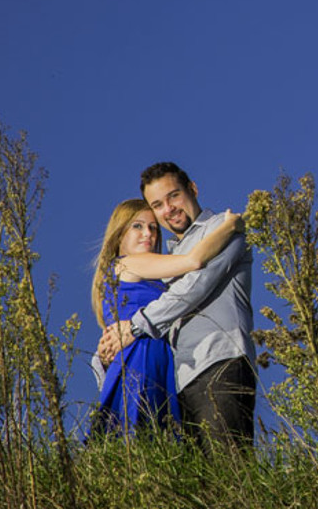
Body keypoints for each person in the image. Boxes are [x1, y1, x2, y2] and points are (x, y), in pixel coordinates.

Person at [98, 162, 256, 449]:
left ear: (192, 189)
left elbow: (195, 285)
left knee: (229, 464)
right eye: (157, 205)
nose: (168, 209)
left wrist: (135, 326)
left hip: (218, 360)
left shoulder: (222, 229)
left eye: (174, 196)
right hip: (178, 378)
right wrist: (106, 357)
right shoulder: (165, 259)